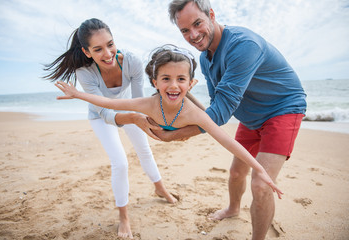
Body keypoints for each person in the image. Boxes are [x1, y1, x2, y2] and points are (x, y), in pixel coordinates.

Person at [54, 44, 284, 209]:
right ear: (154, 82)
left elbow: (227, 141)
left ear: (191, 83)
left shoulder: (195, 114)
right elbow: (110, 102)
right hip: (159, 115)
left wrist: (260, 170)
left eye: (181, 79)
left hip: (183, 117)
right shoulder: (148, 103)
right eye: (165, 79)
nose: (173, 85)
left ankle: (187, 87)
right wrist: (78, 94)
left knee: (200, 110)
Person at [163, 1, 307, 240]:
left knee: (261, 185)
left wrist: (173, 134)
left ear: (211, 14)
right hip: (250, 115)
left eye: (197, 23)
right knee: (236, 173)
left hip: (282, 109)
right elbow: (215, 103)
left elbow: (220, 112)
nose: (194, 35)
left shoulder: (242, 45)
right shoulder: (206, 58)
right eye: (185, 30)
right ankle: (233, 209)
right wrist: (179, 103)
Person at [44, 18, 177, 239]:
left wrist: (150, 121)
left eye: (110, 44)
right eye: (98, 49)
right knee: (120, 162)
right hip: (100, 116)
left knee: (144, 150)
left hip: (129, 108)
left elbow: (139, 102)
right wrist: (134, 117)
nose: (108, 53)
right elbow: (105, 113)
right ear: (87, 52)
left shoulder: (132, 61)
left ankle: (160, 188)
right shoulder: (85, 73)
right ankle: (124, 217)